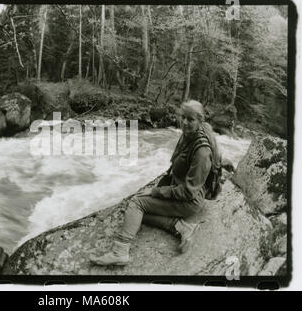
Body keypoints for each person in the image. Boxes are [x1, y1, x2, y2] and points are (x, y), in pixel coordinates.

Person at [90, 100, 221, 266]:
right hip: (178, 191)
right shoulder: (189, 135)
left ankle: (120, 252)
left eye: (191, 119)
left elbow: (189, 192)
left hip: (189, 201)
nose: (185, 123)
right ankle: (182, 227)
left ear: (200, 121)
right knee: (134, 212)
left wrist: (155, 192)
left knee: (136, 204)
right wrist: (158, 188)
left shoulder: (202, 152)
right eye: (183, 117)